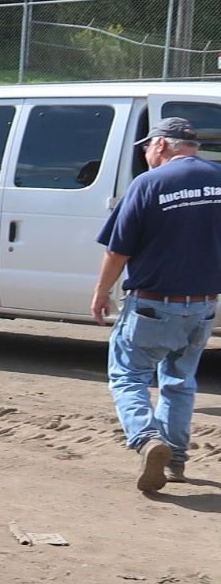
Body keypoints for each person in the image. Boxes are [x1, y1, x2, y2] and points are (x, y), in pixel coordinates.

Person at [91, 115, 221, 492]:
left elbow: (119, 249)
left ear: (162, 145)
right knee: (180, 382)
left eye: (147, 146)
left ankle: (147, 439)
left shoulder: (149, 183)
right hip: (202, 306)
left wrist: (101, 291)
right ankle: (176, 459)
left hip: (152, 304)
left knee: (128, 374)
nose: (146, 154)